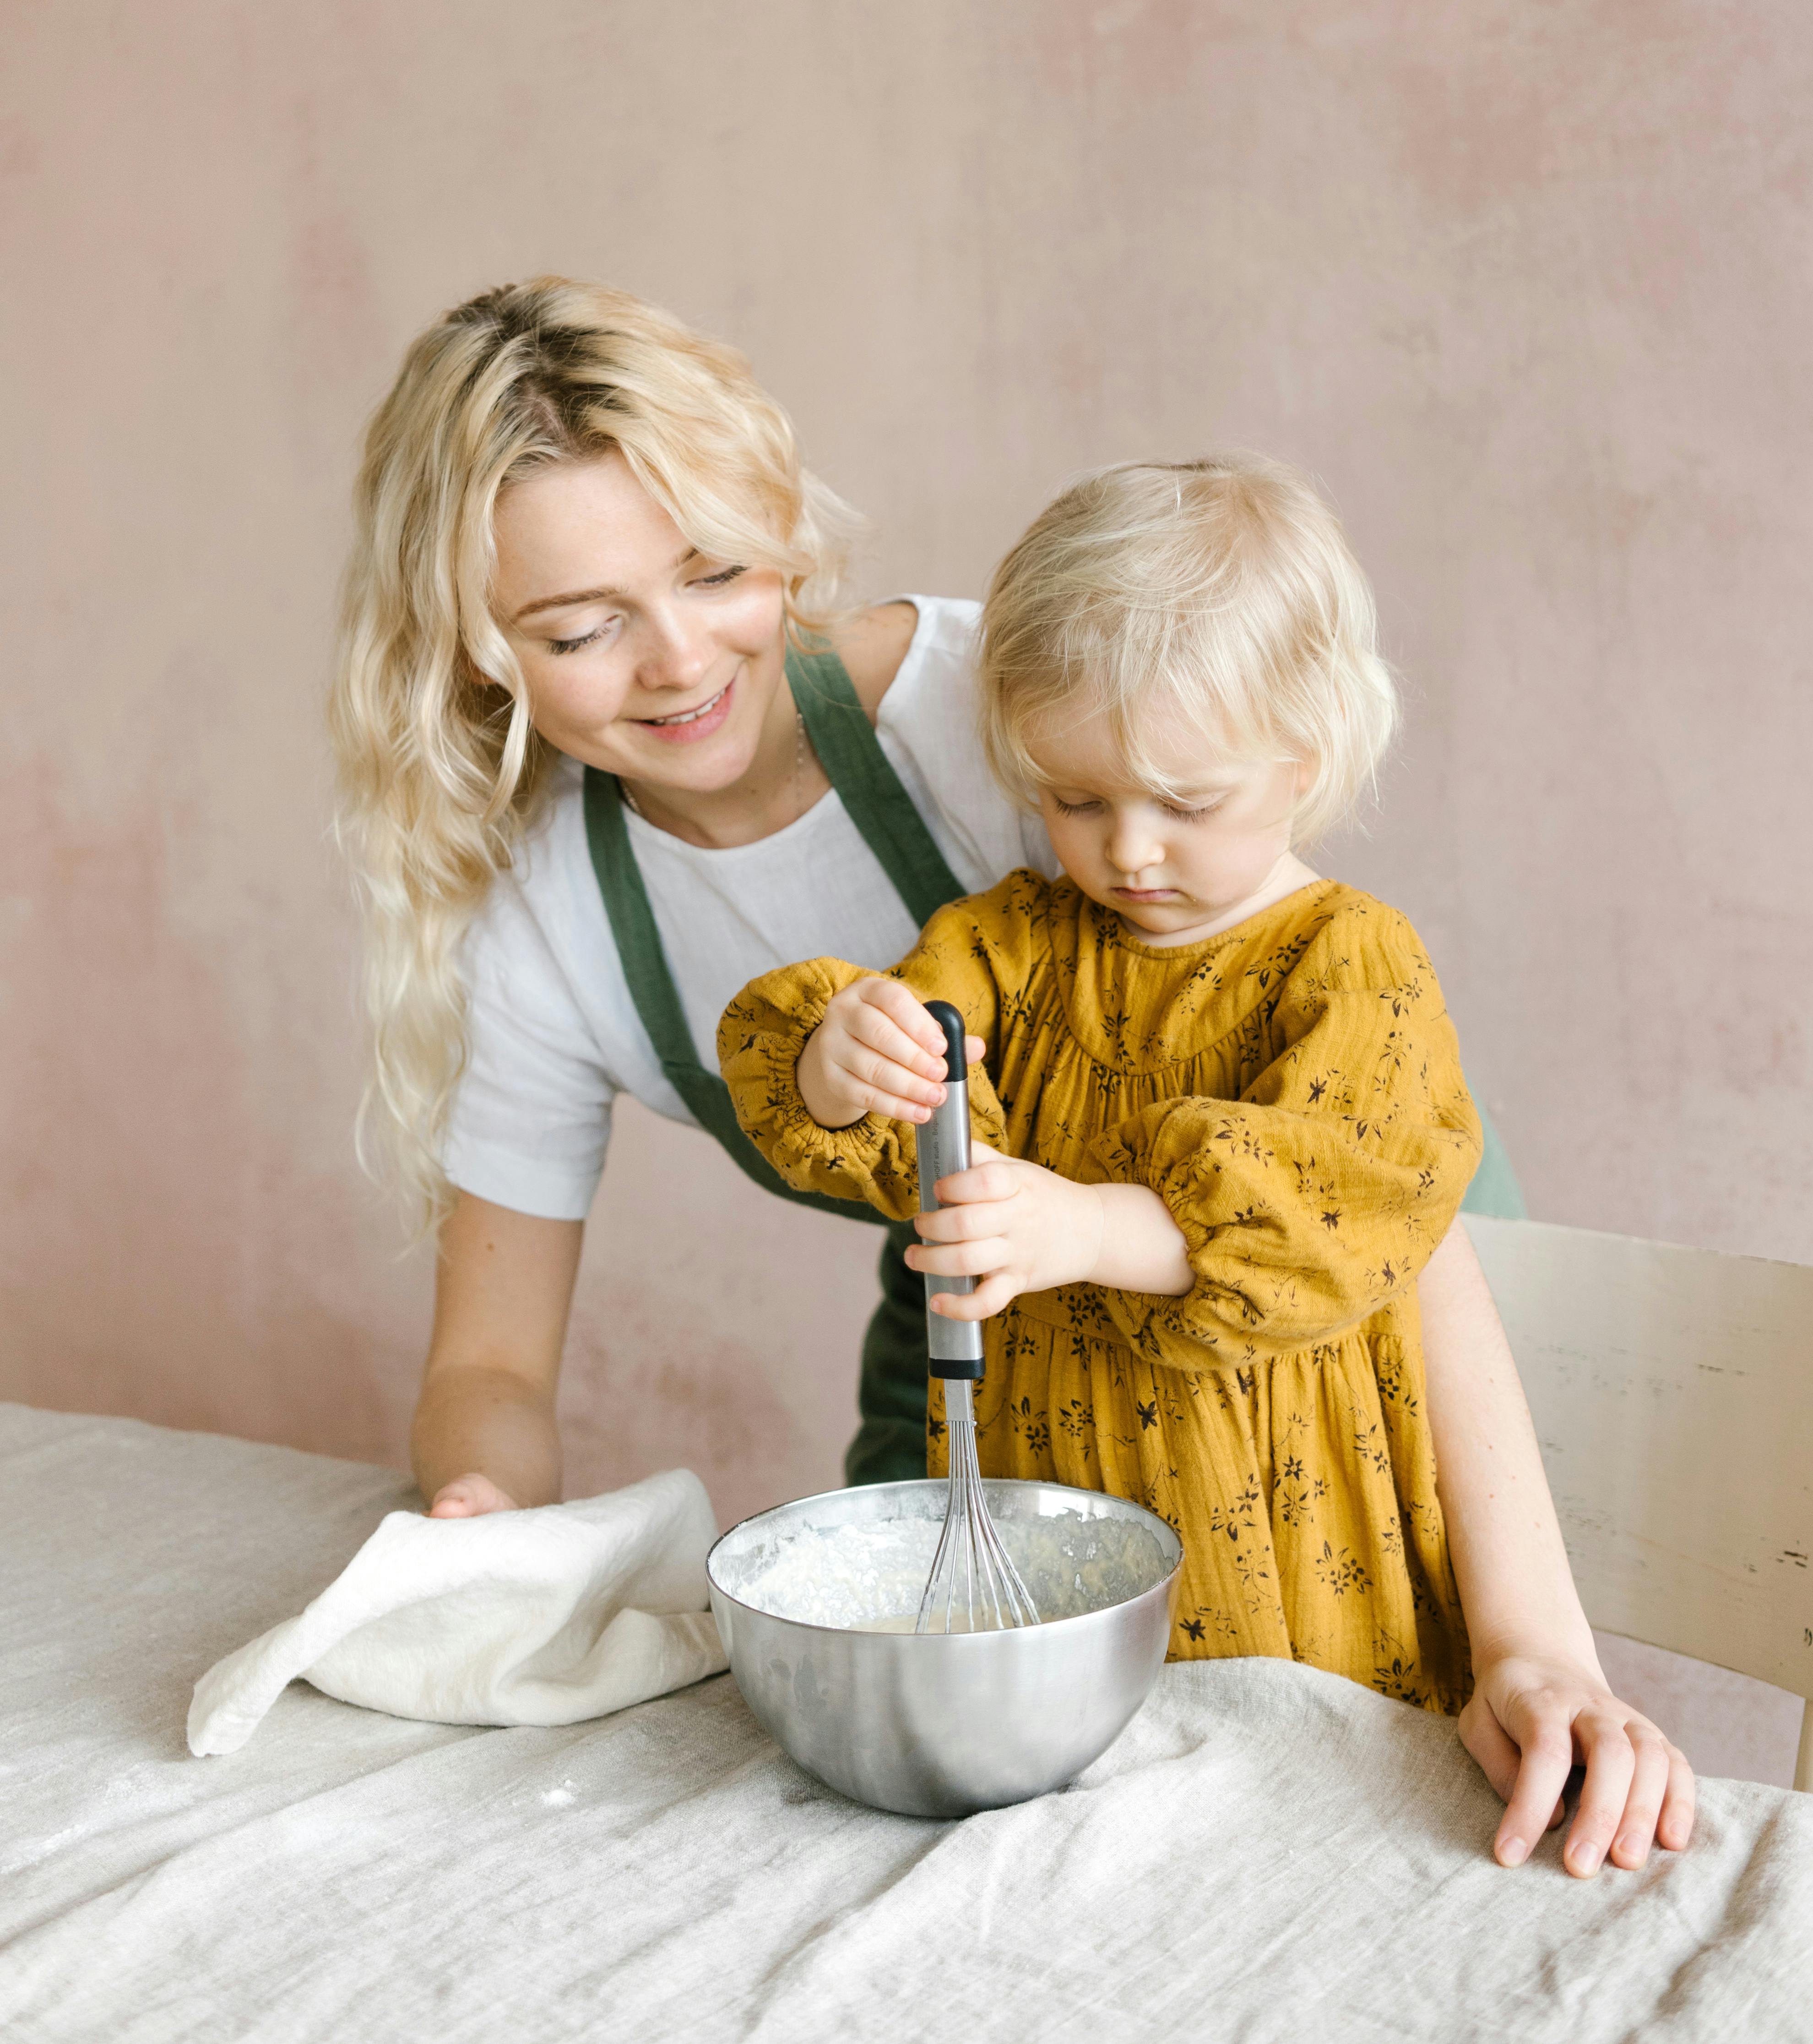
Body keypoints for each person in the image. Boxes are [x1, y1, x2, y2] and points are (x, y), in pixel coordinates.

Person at [332, 278, 1688, 1873]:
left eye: (716, 570)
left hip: (1359, 1317)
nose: (679, 656)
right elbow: (489, 1363)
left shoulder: (1030, 717)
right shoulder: (551, 923)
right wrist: (481, 1507)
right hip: (1010, 1318)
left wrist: (1538, 1633)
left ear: (781, 530)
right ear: (479, 647)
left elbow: (1380, 1213)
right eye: (579, 627)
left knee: (1408, 1747)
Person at [722, 457, 1696, 1865]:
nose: (1127, 848)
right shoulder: (1008, 945)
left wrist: (1095, 1229)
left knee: (1294, 1872)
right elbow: (871, 1086)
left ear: (1306, 753)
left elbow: (1329, 1197)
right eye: (1073, 797)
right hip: (1053, 1629)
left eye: (1185, 798)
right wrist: (839, 1051)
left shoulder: (1350, 965)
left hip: (1309, 1606)